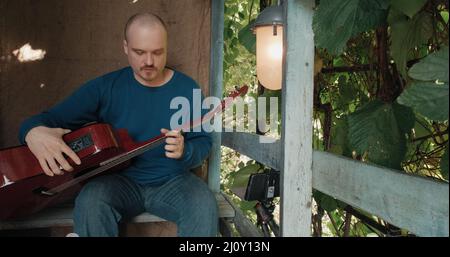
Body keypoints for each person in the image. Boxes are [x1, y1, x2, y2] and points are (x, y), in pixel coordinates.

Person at [18, 13, 218, 237]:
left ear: (166, 47)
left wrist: (186, 150)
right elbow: (47, 119)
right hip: (119, 183)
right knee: (91, 199)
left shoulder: (187, 88)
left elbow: (203, 142)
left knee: (203, 203)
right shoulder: (105, 87)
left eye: (157, 52)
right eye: (139, 52)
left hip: (173, 182)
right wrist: (32, 132)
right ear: (125, 47)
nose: (149, 61)